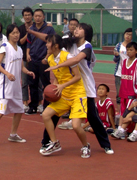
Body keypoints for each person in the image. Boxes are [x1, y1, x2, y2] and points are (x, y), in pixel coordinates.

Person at [47, 23, 114, 155]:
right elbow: (52, 40)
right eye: (75, 28)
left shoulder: (87, 47)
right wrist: (31, 32)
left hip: (84, 87)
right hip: (68, 86)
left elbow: (76, 59)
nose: (76, 30)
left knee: (93, 117)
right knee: (53, 114)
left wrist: (57, 66)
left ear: (86, 33)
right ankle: (47, 142)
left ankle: (106, 145)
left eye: (80, 28)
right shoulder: (69, 43)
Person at [0, 24, 34, 148]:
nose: (16, 35)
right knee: (0, 111)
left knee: (19, 110)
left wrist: (28, 72)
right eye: (13, 33)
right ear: (9, 34)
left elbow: (21, 66)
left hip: (15, 85)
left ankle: (13, 134)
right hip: (4, 85)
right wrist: (7, 73)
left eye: (17, 33)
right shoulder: (4, 47)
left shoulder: (20, 49)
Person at [39, 34, 90, 158]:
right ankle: (55, 143)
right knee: (45, 114)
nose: (46, 45)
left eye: (48, 42)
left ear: (56, 46)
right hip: (64, 95)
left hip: (77, 94)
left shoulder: (67, 56)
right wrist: (54, 88)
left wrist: (62, 86)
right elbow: (57, 77)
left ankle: (85, 145)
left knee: (76, 126)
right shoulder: (51, 59)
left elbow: (77, 77)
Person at [26, 9, 55, 114]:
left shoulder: (49, 29)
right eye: (36, 16)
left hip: (43, 60)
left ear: (43, 17)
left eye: (39, 16)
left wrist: (46, 57)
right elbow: (29, 43)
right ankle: (33, 105)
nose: (37, 18)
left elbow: (51, 43)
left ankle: (46, 105)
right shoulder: (31, 28)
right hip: (33, 59)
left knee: (45, 83)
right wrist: (27, 54)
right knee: (32, 83)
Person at [113, 28, 132, 105]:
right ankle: (119, 112)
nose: (128, 36)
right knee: (119, 95)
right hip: (119, 73)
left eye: (130, 35)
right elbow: (115, 60)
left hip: (129, 73)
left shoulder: (133, 46)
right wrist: (116, 56)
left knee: (129, 95)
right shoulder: (119, 45)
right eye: (127, 34)